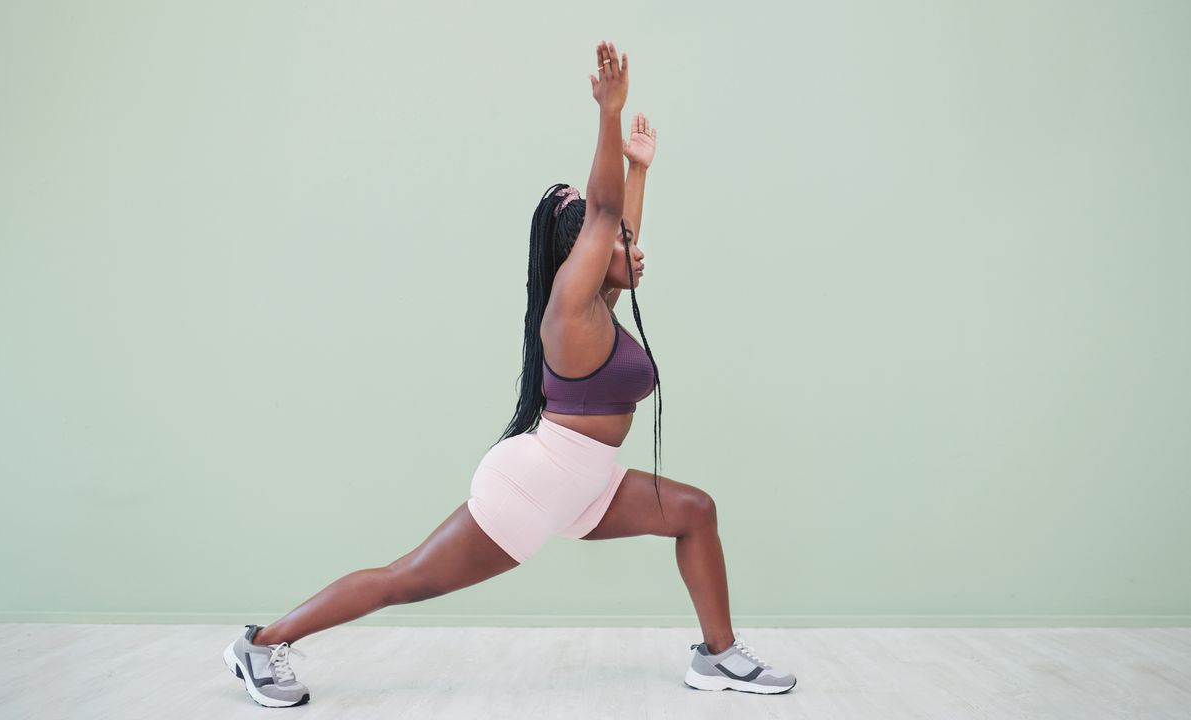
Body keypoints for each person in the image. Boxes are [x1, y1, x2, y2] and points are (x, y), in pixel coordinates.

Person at [222, 40, 796, 707]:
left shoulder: (598, 308)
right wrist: (609, 116)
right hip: (532, 485)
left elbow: (620, 224)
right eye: (611, 243)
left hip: (585, 485)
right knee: (403, 579)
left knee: (695, 512)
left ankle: (719, 655)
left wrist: (639, 170)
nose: (630, 250)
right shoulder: (569, 313)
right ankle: (261, 643)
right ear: (580, 253)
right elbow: (607, 217)